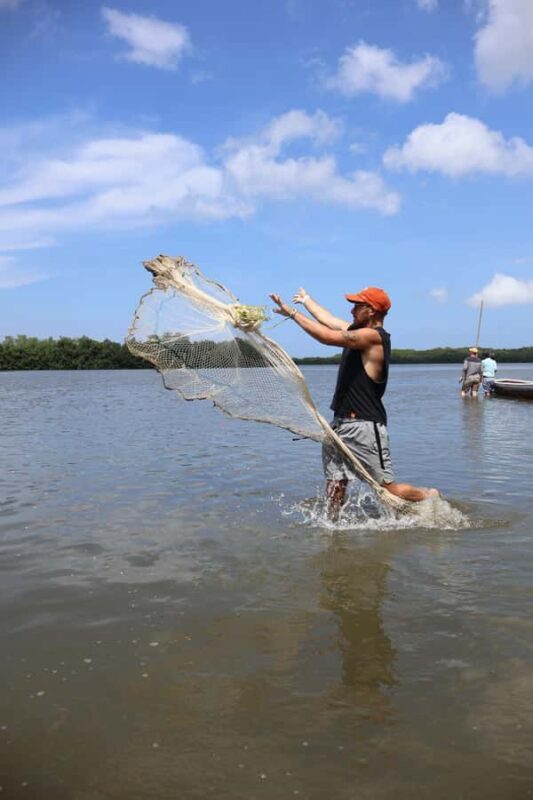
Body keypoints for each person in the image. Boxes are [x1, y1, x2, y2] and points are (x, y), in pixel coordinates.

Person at [270, 285, 439, 516]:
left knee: (386, 489)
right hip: (338, 425)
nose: (352, 310)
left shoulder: (373, 337)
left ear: (371, 311)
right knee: (335, 483)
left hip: (364, 426)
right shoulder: (358, 331)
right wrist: (306, 300)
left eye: (357, 306)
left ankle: (428, 495)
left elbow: (328, 337)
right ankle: (334, 531)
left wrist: (292, 314)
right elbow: (329, 321)